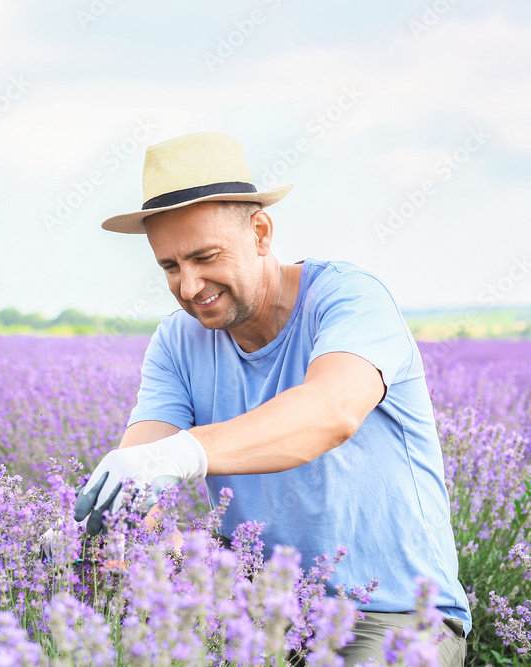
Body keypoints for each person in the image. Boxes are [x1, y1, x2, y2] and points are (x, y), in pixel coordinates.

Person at [73, 131, 470, 665]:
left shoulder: (348, 298)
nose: (189, 287)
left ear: (260, 232)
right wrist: (99, 527)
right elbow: (142, 464)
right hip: (258, 612)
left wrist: (184, 453)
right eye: (170, 267)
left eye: (204, 257)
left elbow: (330, 411)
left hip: (391, 615)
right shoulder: (177, 340)